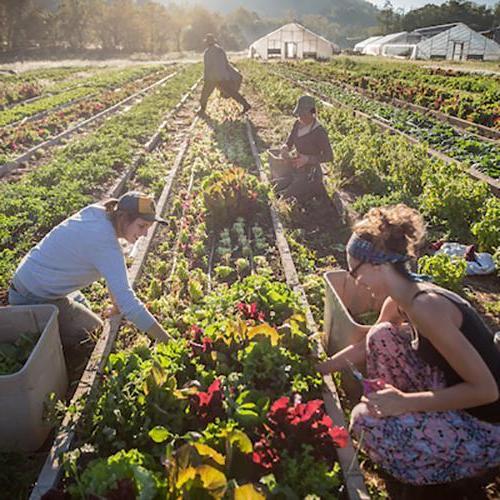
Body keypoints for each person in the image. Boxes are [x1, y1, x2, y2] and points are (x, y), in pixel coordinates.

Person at [317, 204, 500, 486]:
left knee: (364, 423)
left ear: (378, 264)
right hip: (448, 387)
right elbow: (368, 342)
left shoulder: (427, 307)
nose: (357, 282)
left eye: (355, 273)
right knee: (381, 336)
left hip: (485, 423)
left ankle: (468, 469)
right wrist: (320, 367)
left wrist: (404, 403)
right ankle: (403, 415)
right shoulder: (401, 297)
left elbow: (486, 391)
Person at [8, 191, 172, 359]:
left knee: (87, 313)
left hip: (34, 279)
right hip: (32, 297)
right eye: (142, 226)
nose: (145, 233)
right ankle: (44, 342)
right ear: (123, 217)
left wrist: (116, 307)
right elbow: (128, 303)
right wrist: (169, 343)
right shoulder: (104, 242)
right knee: (94, 333)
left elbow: (112, 275)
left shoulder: (99, 213)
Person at [277, 95, 333, 202]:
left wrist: (307, 159)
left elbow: (329, 156)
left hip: (311, 173)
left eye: (304, 114)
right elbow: (289, 142)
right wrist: (285, 148)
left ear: (312, 113)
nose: (301, 117)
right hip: (296, 166)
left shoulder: (319, 132)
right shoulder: (297, 124)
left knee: (287, 195)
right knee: (277, 185)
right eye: (299, 114)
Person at [197, 33, 251, 116]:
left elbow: (208, 67)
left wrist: (205, 77)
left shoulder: (207, 52)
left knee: (205, 93)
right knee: (232, 92)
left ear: (207, 43)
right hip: (222, 76)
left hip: (212, 78)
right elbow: (226, 63)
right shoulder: (220, 50)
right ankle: (245, 104)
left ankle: (202, 109)